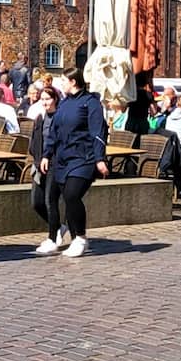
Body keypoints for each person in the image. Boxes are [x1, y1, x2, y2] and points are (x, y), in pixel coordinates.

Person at [41, 68, 108, 258]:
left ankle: (80, 237)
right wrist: (47, 154)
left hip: (83, 158)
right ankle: (72, 237)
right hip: (63, 158)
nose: (61, 84)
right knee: (67, 199)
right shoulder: (63, 104)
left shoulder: (91, 103)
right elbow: (54, 132)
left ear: (73, 82)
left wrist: (100, 158)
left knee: (72, 194)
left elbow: (98, 132)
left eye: (63, 80)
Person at [30, 86, 66, 255]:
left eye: (48, 99)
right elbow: (35, 142)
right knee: (36, 202)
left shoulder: (60, 118)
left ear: (56, 100)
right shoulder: (40, 119)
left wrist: (50, 157)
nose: (44, 102)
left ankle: (52, 238)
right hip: (39, 164)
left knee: (50, 200)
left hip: (54, 164)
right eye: (42, 99)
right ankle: (58, 227)